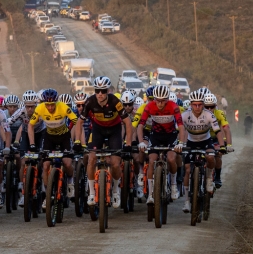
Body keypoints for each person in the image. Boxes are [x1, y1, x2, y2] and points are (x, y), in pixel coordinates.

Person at [76, 76, 132, 207]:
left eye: (103, 91)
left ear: (108, 91)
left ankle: (115, 191)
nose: (100, 94)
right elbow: (79, 122)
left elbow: (127, 122)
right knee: (91, 159)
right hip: (98, 130)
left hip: (114, 131)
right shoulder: (90, 102)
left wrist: (128, 143)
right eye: (97, 90)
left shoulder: (115, 101)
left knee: (115, 163)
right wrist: (78, 141)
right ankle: (91, 193)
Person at [135, 83, 184, 205]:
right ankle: (151, 194)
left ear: (167, 99)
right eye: (158, 101)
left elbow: (181, 127)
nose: (160, 104)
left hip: (170, 135)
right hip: (155, 135)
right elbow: (140, 125)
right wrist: (141, 142)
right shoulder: (149, 106)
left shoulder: (173, 106)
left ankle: (173, 186)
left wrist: (181, 143)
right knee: (152, 159)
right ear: (154, 99)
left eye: (163, 101)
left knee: (172, 159)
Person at [27, 88, 79, 199]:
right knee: (45, 165)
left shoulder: (63, 107)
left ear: (56, 102)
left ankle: (70, 182)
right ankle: (47, 194)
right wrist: (32, 144)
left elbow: (77, 122)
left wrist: (78, 140)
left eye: (52, 105)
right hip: (49, 137)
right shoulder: (40, 108)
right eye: (47, 105)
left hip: (64, 137)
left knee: (67, 163)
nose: (50, 107)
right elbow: (30, 125)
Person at [180, 90, 222, 212]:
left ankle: (209, 179)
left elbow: (218, 131)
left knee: (210, 157)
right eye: (195, 104)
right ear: (191, 104)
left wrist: (222, 145)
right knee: (187, 169)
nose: (197, 107)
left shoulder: (209, 114)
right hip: (190, 142)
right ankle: (187, 201)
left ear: (203, 104)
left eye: (200, 104)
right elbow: (180, 131)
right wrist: (180, 144)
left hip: (206, 141)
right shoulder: (185, 115)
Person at [205, 92, 233, 188]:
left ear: (215, 106)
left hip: (216, 138)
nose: (209, 109)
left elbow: (226, 128)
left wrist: (228, 145)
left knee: (217, 156)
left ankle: (217, 177)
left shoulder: (220, 113)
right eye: (206, 107)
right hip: (204, 137)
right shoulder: (199, 113)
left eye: (211, 107)